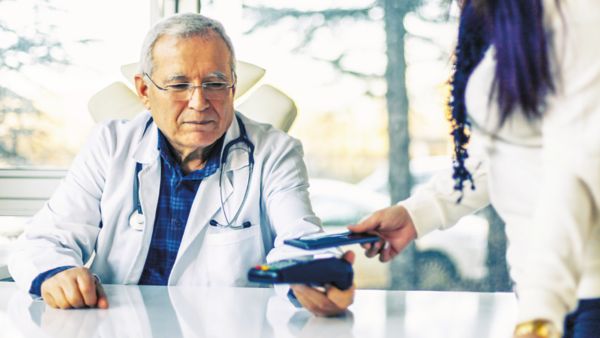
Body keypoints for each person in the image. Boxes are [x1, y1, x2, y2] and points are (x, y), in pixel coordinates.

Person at [8, 13, 354, 316]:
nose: (199, 102)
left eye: (215, 83)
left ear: (232, 87)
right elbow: (44, 241)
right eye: (179, 85)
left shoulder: (274, 151)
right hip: (117, 323)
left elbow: (300, 236)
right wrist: (55, 273)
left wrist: (312, 277)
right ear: (145, 91)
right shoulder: (110, 144)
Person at [349, 0, 600, 337]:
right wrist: (416, 214)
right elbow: (497, 155)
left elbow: (573, 174)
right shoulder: (519, 27)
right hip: (545, 294)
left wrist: (540, 310)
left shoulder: (584, 25)